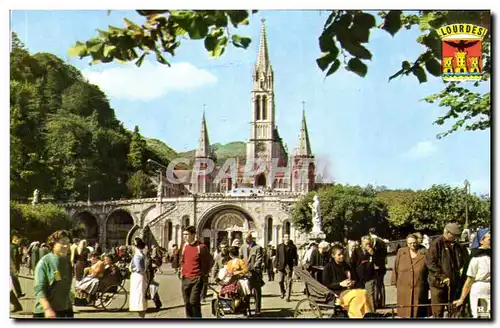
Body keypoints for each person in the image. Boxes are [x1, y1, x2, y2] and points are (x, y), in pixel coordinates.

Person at [426, 222, 469, 318]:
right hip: (438, 284)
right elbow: (430, 263)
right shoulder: (436, 244)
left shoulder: (458, 246)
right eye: (454, 235)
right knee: (438, 310)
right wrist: (442, 276)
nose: (456, 238)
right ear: (447, 232)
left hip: (454, 284)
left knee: (454, 310)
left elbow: (463, 262)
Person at [322, 244, 373, 318]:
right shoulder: (328, 267)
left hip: (349, 290)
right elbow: (326, 284)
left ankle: (365, 315)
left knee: (364, 292)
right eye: (339, 255)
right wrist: (340, 284)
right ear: (333, 255)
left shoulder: (346, 265)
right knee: (356, 295)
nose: (342, 256)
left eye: (343, 254)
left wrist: (353, 282)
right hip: (337, 293)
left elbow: (356, 278)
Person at [33, 230, 73, 318]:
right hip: (46, 312)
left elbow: (66, 286)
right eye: (62, 242)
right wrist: (47, 309)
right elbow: (39, 289)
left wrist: (69, 308)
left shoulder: (67, 262)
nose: (66, 246)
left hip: (64, 310)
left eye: (68, 243)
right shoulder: (44, 262)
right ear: (53, 244)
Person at [453, 228, 490, 318]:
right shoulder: (475, 258)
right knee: (483, 316)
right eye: (489, 239)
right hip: (481, 290)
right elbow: (469, 280)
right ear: (481, 241)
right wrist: (462, 299)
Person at [391, 234, 429, 318]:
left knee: (418, 310)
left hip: (419, 285)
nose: (412, 245)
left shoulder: (424, 252)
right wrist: (394, 281)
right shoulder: (401, 251)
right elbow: (395, 267)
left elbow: (429, 268)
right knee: (404, 310)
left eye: (414, 243)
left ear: (417, 242)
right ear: (407, 243)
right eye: (410, 243)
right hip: (403, 286)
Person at [180, 226, 212, 318]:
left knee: (194, 302)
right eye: (183, 234)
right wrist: (181, 268)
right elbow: (181, 259)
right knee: (187, 302)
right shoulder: (184, 246)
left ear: (193, 235)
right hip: (185, 278)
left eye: (187, 234)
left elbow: (209, 261)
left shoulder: (201, 247)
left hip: (196, 278)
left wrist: (204, 274)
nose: (184, 236)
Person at [239, 234, 264, 314]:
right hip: (245, 273)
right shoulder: (243, 247)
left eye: (247, 238)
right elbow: (240, 258)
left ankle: (257, 309)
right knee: (245, 291)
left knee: (257, 291)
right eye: (245, 238)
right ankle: (245, 308)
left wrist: (253, 268)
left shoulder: (258, 247)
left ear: (251, 238)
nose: (246, 240)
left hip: (255, 273)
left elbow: (259, 260)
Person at [354, 236, 377, 311]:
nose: (368, 245)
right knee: (360, 295)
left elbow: (375, 262)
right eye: (366, 244)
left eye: (369, 244)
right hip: (359, 276)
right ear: (362, 243)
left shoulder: (372, 251)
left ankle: (372, 312)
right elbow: (353, 263)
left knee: (370, 294)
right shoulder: (357, 251)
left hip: (369, 276)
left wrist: (372, 255)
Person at [274, 234, 298, 301]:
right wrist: (275, 266)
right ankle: (282, 291)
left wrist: (295, 266)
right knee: (280, 281)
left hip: (289, 266)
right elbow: (277, 257)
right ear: (283, 238)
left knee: (289, 281)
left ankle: (288, 296)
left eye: (288, 237)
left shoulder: (293, 247)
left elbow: (295, 257)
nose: (287, 238)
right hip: (281, 266)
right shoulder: (279, 246)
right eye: (285, 237)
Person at [129, 237, 148, 318]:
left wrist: (133, 268)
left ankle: (141, 316)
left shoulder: (137, 255)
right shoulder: (142, 254)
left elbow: (140, 269)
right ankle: (141, 315)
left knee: (139, 295)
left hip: (138, 277)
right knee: (141, 295)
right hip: (141, 277)